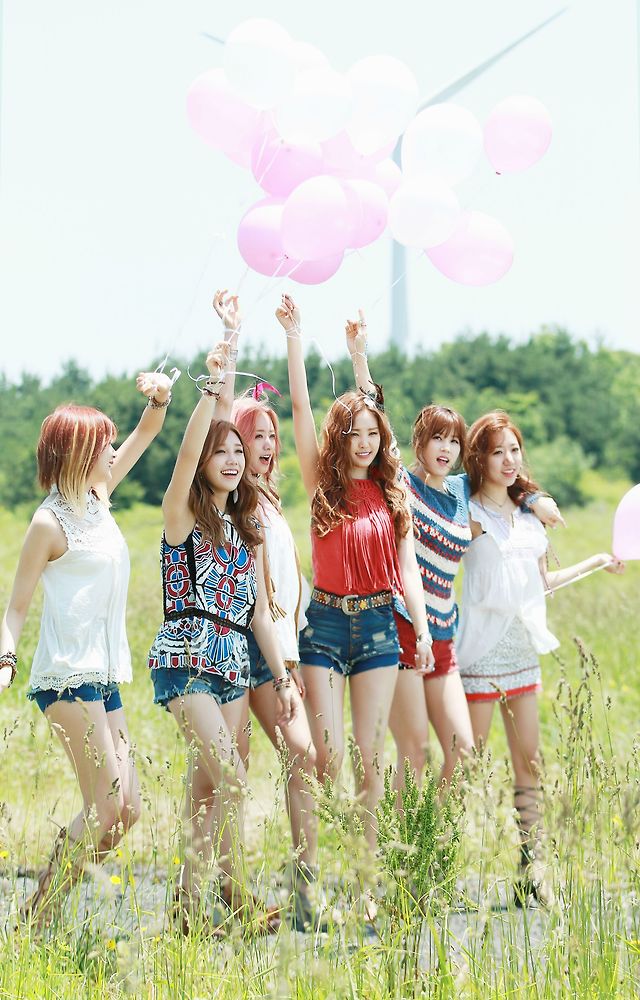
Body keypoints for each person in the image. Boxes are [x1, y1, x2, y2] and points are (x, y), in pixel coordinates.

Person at [347, 315, 564, 790]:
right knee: (414, 752)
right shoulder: (401, 482)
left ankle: (434, 834)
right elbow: (375, 417)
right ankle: (404, 838)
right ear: (419, 443)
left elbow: (508, 480)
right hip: (402, 626)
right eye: (436, 439)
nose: (445, 449)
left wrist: (536, 499)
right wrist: (359, 355)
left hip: (444, 633)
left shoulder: (463, 491)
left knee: (464, 754)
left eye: (453, 441)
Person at [0, 369, 173, 925]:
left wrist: (161, 398)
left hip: (103, 675)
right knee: (105, 805)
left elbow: (148, 431)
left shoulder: (99, 496)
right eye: (104, 444)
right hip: (66, 675)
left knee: (128, 811)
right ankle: (39, 916)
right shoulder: (47, 523)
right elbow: (16, 607)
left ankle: (42, 910)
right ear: (76, 452)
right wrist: (5, 659)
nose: (113, 452)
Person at [147, 308, 298, 936]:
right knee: (232, 780)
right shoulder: (181, 514)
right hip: (187, 659)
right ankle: (229, 899)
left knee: (207, 790)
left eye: (241, 451)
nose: (234, 459)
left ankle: (185, 911)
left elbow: (259, 611)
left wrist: (283, 679)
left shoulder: (246, 525)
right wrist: (217, 380)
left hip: (235, 665)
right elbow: (187, 453)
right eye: (224, 450)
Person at [277, 293, 434, 855]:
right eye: (355, 434)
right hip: (323, 625)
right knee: (328, 755)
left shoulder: (393, 492)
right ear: (339, 437)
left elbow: (407, 568)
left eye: (373, 434)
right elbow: (300, 409)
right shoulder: (322, 483)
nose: (365, 443)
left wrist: (422, 630)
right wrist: (295, 336)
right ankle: (307, 869)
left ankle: (367, 874)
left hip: (378, 628)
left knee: (370, 757)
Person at [456, 410, 624, 904]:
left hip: (523, 652)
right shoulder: (468, 512)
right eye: (498, 452)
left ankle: (533, 868)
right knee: (466, 764)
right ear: (479, 458)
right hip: (480, 652)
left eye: (514, 450)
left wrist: (597, 560)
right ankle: (433, 863)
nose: (509, 460)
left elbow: (542, 583)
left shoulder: (529, 516)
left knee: (530, 761)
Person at [209, 291, 320, 931]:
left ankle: (304, 885)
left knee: (301, 756)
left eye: (272, 437)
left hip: (279, 646)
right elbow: (220, 416)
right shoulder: (230, 500)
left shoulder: (271, 500)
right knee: (235, 770)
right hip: (243, 647)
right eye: (257, 436)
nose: (268, 445)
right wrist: (231, 337)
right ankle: (228, 891)